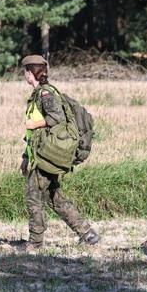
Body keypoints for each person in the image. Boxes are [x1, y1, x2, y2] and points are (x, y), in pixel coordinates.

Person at [20, 54, 98, 249]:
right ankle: (87, 233)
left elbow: (57, 118)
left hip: (47, 155)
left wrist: (33, 123)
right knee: (54, 196)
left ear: (31, 73)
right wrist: (25, 157)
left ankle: (35, 243)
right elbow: (33, 136)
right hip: (41, 154)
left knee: (34, 196)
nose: (24, 75)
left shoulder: (45, 94)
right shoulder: (40, 93)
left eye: (25, 71)